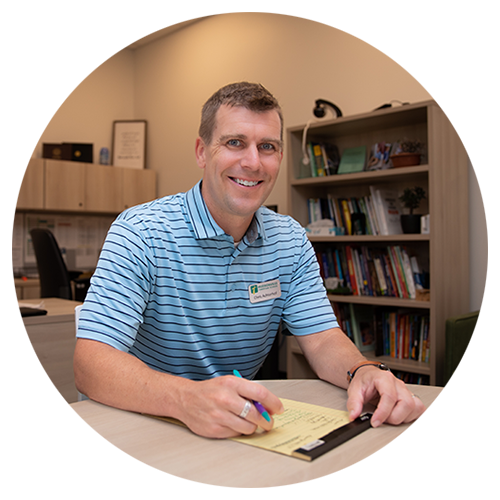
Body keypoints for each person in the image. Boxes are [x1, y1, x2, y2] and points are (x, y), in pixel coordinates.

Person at [74, 82, 425, 439]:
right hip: (139, 423)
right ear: (201, 152)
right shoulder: (140, 231)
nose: (253, 162)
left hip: (234, 428)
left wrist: (361, 370)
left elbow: (321, 341)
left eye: (267, 147)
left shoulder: (290, 239)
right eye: (234, 143)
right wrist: (187, 399)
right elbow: (91, 363)